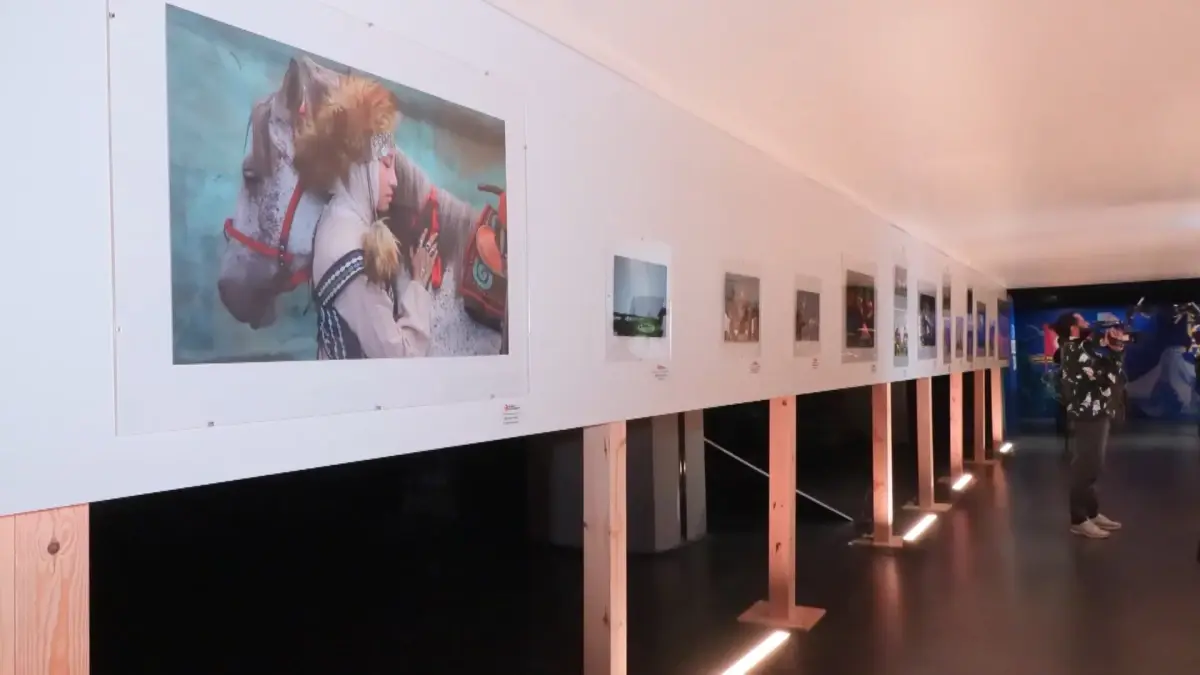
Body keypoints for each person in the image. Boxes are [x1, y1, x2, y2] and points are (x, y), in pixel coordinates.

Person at [294, 76, 438, 359]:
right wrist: (419, 286)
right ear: (360, 165)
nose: (395, 180)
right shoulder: (350, 254)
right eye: (386, 165)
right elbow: (402, 357)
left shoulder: (336, 222)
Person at [1059, 313, 1126, 539]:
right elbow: (1108, 377)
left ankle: (1092, 513)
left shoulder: (1086, 348)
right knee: (1085, 467)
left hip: (1098, 412)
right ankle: (1078, 520)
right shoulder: (1073, 350)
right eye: (1082, 321)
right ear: (1073, 329)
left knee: (1094, 466)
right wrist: (1115, 351)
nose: (1088, 323)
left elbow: (1109, 371)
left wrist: (1114, 348)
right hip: (1087, 415)